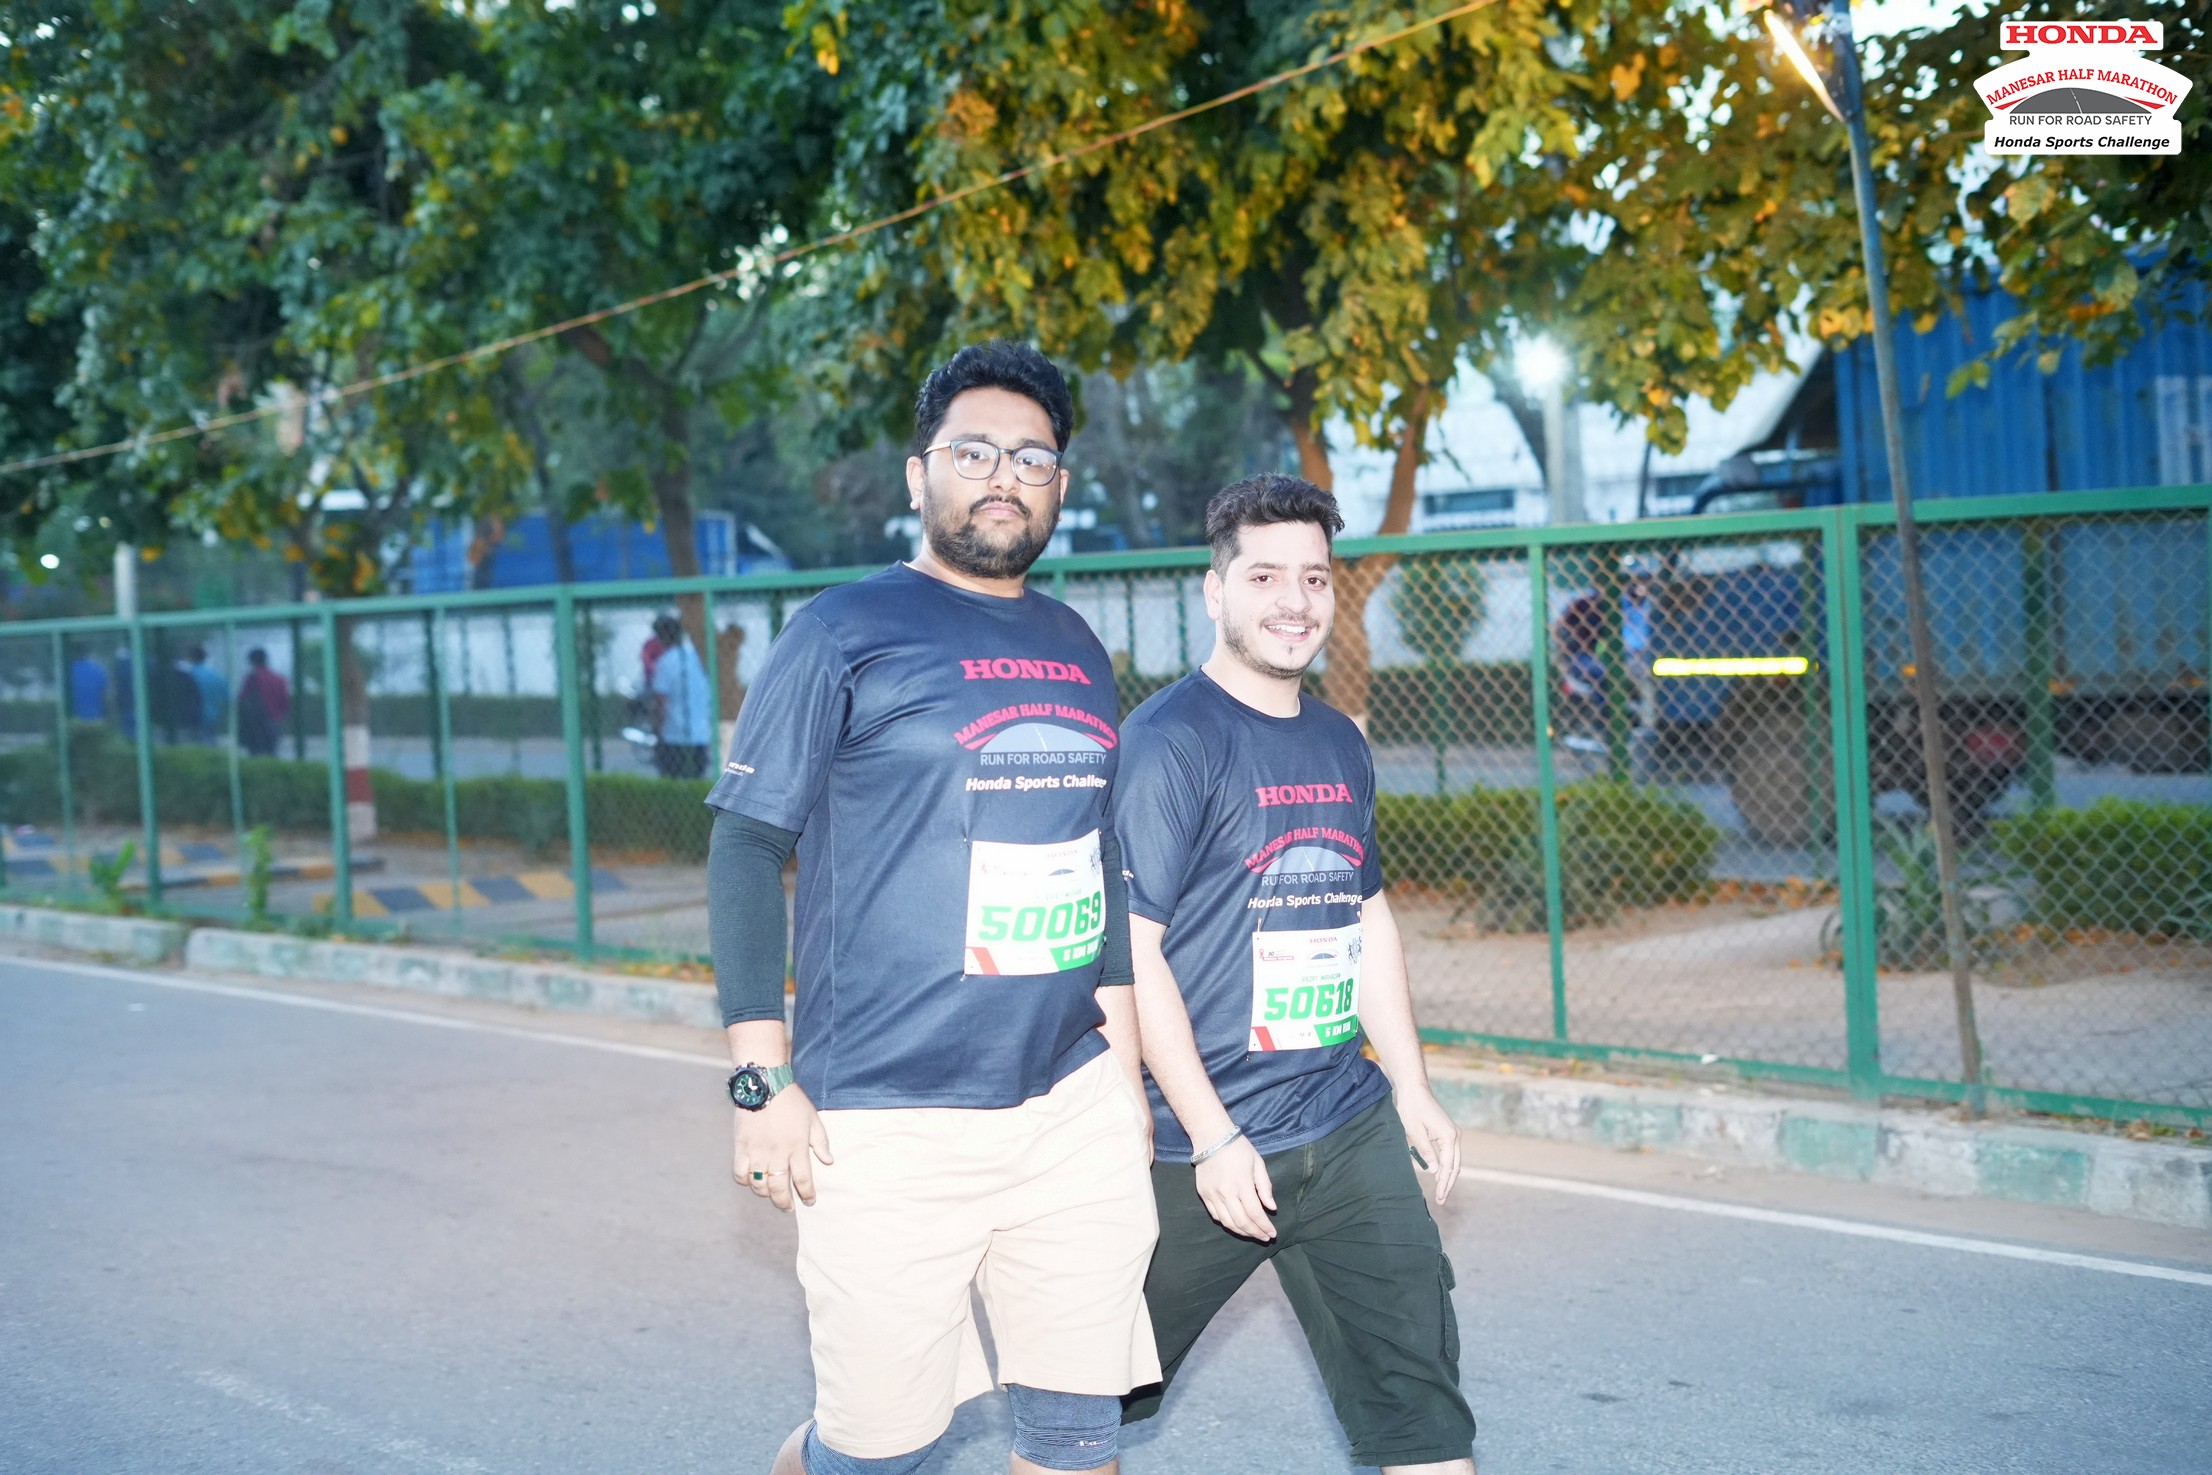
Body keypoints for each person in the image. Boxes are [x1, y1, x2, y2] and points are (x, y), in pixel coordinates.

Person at [705, 340, 1158, 1475]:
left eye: (1032, 457)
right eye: (974, 452)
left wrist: (1123, 1073)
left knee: (1077, 1441)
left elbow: (1095, 858)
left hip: (1066, 1107)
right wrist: (760, 1082)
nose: (1004, 476)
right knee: (880, 1451)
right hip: (885, 1117)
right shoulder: (839, 631)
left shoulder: (1076, 643)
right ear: (919, 475)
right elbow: (748, 844)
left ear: (1059, 484)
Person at [1115, 474, 1479, 1474]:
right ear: (1214, 589)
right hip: (1196, 1150)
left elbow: (1365, 913)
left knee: (1422, 1416)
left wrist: (1411, 1084)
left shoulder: (1338, 740)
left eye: (1314, 577)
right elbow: (1134, 950)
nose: (1294, 600)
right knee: (1074, 1399)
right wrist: (1212, 1132)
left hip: (1344, 1128)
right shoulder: (1168, 744)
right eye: (1265, 575)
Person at [646, 613, 711, 779]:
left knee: (671, 780)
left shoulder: (664, 662)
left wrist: (657, 730)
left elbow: (661, 702)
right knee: (697, 780)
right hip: (701, 733)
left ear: (660, 637)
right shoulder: (697, 657)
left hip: (673, 736)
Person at [237, 649, 291, 758]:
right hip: (276, 719)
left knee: (255, 753)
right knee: (272, 751)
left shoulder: (252, 678)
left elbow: (243, 698)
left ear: (252, 661)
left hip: (256, 721)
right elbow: (285, 702)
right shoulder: (279, 679)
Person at [186, 645, 226, 744]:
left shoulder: (188, 675)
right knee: (210, 741)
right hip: (213, 715)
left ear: (191, 658)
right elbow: (227, 697)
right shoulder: (216, 675)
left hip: (192, 716)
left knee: (193, 744)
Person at [68, 654, 108, 723]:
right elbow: (104, 696)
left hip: (75, 718)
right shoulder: (99, 669)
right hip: (96, 717)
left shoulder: (69, 670)